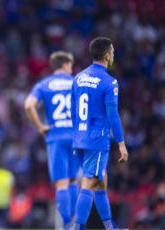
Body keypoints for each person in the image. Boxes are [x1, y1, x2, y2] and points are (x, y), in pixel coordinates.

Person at [72, 37, 129, 229]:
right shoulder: (109, 82)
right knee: (89, 183)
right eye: (112, 52)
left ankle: (110, 227)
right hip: (96, 141)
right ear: (106, 55)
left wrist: (76, 136)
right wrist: (121, 143)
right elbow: (113, 116)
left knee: (100, 183)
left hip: (80, 139)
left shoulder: (78, 77)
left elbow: (74, 111)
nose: (113, 55)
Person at [24, 51, 80, 229]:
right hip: (76, 137)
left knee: (61, 182)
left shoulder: (44, 85)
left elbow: (28, 105)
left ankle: (65, 225)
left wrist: (40, 127)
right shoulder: (76, 83)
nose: (71, 69)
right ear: (65, 65)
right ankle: (74, 224)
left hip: (55, 137)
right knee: (73, 180)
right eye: (70, 66)